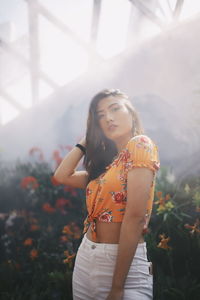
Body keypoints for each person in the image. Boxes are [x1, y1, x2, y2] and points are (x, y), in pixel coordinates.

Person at [54, 89, 160, 300]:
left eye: (114, 109)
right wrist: (86, 140)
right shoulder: (109, 164)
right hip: (87, 257)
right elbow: (62, 175)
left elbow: (135, 218)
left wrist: (117, 287)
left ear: (131, 112)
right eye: (100, 115)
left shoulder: (141, 145)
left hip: (123, 268)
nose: (108, 118)